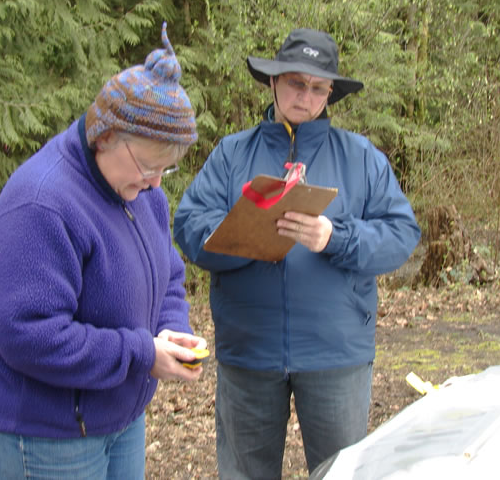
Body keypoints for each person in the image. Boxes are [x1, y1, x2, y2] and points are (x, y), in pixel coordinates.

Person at [173, 28, 421, 477]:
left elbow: (401, 234)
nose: (304, 96)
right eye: (294, 82)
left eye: (316, 88)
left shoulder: (361, 158)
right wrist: (248, 238)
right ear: (272, 82)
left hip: (336, 353)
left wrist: (335, 238)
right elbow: (189, 225)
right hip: (248, 352)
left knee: (340, 472)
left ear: (330, 94)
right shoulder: (232, 154)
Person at [0, 23, 207, 479]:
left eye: (168, 168)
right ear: (105, 136)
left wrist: (171, 330)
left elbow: (170, 275)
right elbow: (27, 333)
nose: (157, 183)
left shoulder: (141, 192)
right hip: (47, 437)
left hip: (120, 419)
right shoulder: (41, 203)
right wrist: (142, 354)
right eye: (148, 165)